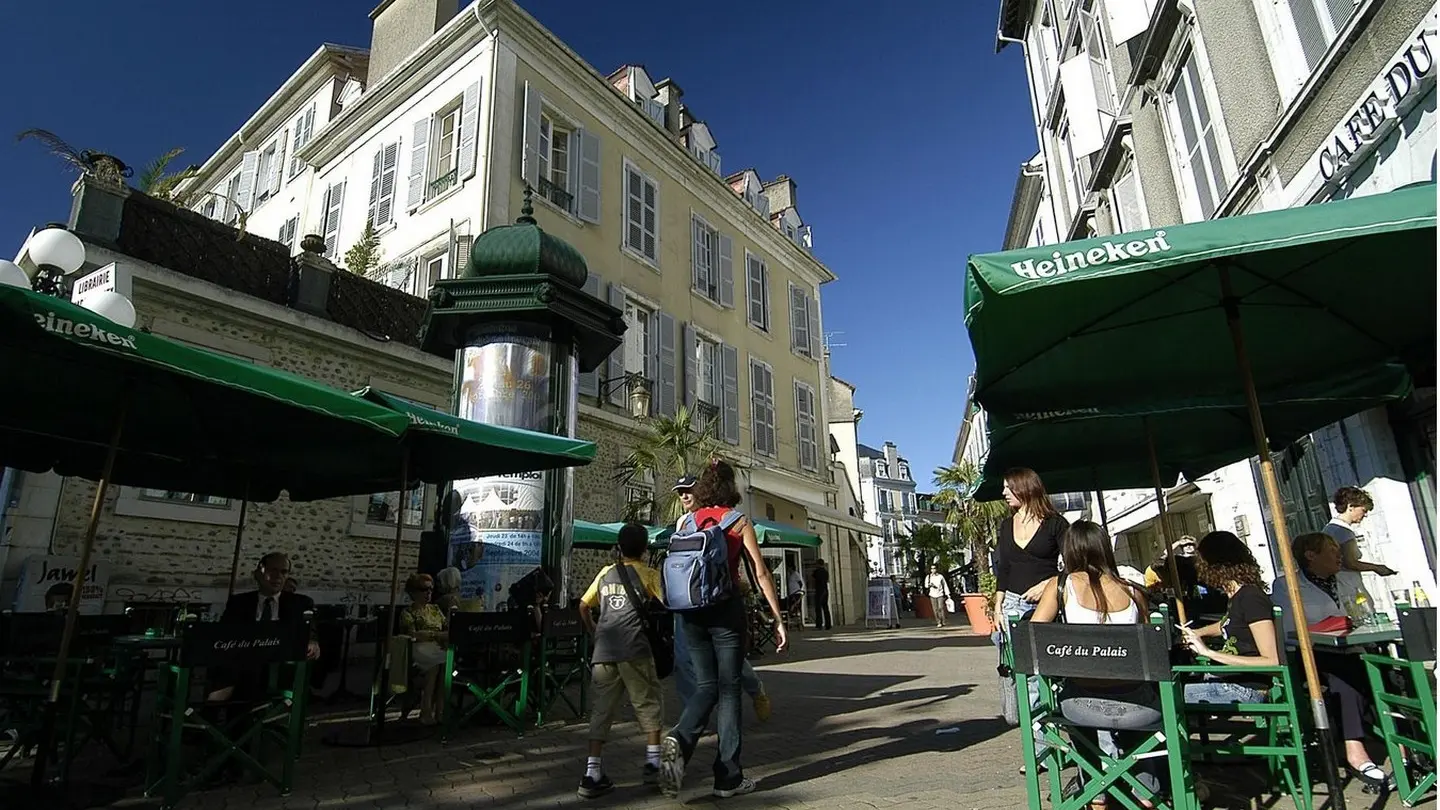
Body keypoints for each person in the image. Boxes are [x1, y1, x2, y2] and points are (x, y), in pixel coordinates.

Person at [659, 460, 788, 799]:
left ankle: (679, 738)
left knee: (706, 685)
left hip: (690, 611)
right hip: (725, 611)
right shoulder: (738, 522)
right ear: (731, 487)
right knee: (729, 690)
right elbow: (760, 572)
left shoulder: (687, 521)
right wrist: (777, 618)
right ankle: (728, 777)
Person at [1031, 521, 1160, 802]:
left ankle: (1094, 789)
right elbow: (1152, 648)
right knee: (1139, 715)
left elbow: (1033, 639)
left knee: (1078, 704)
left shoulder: (1061, 586)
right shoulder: (1134, 592)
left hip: (1081, 705)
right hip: (1138, 707)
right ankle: (1145, 792)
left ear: (1070, 551)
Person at [1271, 532, 1391, 789]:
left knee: (1390, 673)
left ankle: (1403, 746)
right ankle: (1355, 750)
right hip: (1313, 654)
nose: (1339, 555)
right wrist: (1331, 627)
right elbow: (1289, 629)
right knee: (1346, 678)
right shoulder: (1286, 585)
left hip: (1354, 649)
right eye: (1331, 550)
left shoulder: (1348, 579)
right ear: (1311, 556)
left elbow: (1367, 612)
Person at [577, 522, 667, 798]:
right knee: (648, 704)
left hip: (604, 651)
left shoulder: (605, 573)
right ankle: (653, 764)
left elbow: (583, 606)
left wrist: (594, 632)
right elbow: (665, 604)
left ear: (619, 547)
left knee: (601, 711)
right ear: (644, 548)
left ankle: (592, 773)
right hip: (635, 649)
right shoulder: (648, 574)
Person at [671, 474, 771, 722]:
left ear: (702, 490)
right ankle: (693, 716)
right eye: (680, 492)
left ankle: (755, 690)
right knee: (683, 660)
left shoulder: (726, 519)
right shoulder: (683, 522)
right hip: (689, 600)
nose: (684, 496)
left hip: (720, 596)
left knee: (729, 662)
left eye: (688, 490)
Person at [993, 467, 1068, 769]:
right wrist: (997, 604)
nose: (1004, 493)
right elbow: (1004, 568)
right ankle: (1040, 750)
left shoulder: (1055, 523)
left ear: (1025, 487)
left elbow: (1073, 563)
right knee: (1024, 679)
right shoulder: (1005, 524)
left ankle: (1059, 745)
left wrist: (1049, 584)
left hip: (1047, 606)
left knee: (1049, 676)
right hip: (1011, 605)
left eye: (1008, 487)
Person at [1178, 531, 1280, 707]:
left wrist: (1208, 652)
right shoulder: (1237, 596)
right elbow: (1227, 624)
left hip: (1245, 688)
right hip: (1228, 681)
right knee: (1170, 687)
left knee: (1166, 696)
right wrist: (1197, 633)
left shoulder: (1251, 598)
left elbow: (1272, 661)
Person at [212, 552, 320, 702]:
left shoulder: (301, 603)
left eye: (283, 572)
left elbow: (309, 629)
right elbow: (224, 633)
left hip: (280, 662)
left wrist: (313, 641)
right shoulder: (239, 603)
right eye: (272, 571)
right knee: (228, 674)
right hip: (243, 659)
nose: (278, 577)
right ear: (258, 574)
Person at [399, 573, 449, 725]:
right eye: (424, 589)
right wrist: (436, 635)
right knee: (434, 665)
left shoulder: (435, 609)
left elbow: (447, 630)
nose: (428, 593)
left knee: (446, 666)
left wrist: (431, 634)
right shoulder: (408, 612)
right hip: (416, 648)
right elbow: (413, 635)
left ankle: (440, 710)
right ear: (413, 592)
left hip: (437, 646)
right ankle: (426, 710)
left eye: (431, 589)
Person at [1323, 487, 1397, 577]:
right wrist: (1376, 568)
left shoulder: (1330, 527)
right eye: (1363, 510)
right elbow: (1350, 563)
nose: (1365, 515)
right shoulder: (1344, 531)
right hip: (1346, 580)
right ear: (1350, 507)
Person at [811, 559, 832, 631]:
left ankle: (819, 625)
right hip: (825, 590)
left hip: (819, 590)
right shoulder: (826, 572)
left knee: (818, 608)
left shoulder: (817, 571)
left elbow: (812, 578)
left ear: (818, 564)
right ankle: (828, 624)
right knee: (825, 607)